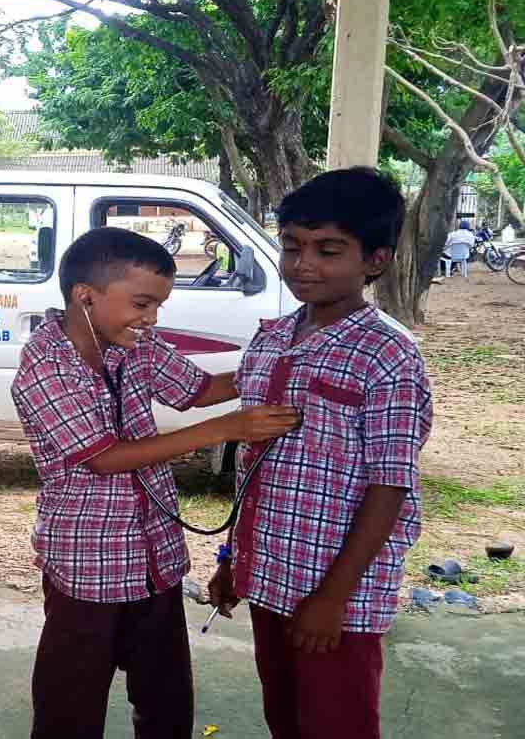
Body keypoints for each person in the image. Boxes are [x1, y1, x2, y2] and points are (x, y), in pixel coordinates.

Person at [11, 228, 301, 739]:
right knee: (69, 707)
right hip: (88, 562)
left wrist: (270, 364)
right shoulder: (45, 368)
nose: (152, 319)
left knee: (166, 699)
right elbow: (105, 458)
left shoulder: (133, 348)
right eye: (142, 303)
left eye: (158, 306)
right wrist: (227, 430)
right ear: (85, 297)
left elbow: (200, 389)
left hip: (154, 558)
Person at [208, 167, 433, 739]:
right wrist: (233, 562)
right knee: (285, 716)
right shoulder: (273, 336)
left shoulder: (389, 355)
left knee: (338, 723)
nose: (303, 263)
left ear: (374, 260)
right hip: (271, 575)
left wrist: (331, 599)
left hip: (337, 595)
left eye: (328, 250)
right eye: (292, 246)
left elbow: (390, 486)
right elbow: (256, 469)